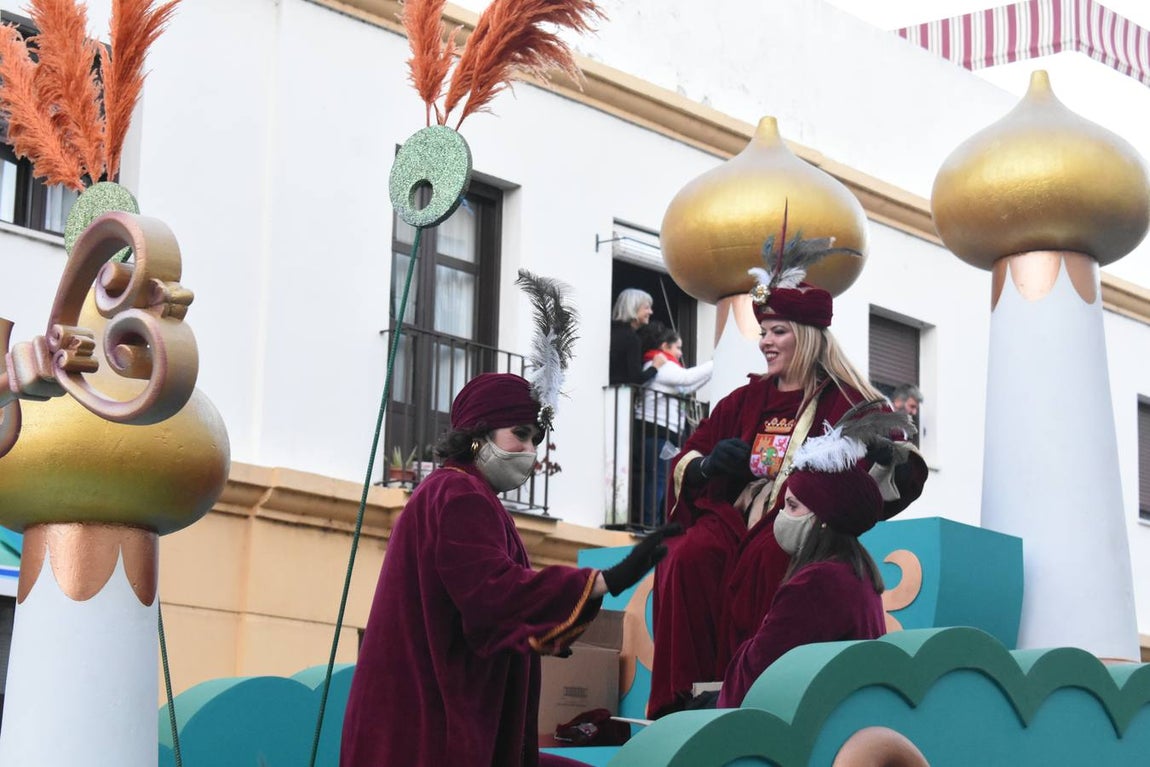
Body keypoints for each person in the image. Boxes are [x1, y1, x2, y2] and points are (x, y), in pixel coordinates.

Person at [647, 235, 928, 719]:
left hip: (799, 528)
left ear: (808, 335)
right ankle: (682, 702)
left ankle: (744, 700)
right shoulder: (743, 400)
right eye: (763, 332)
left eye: (777, 331)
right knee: (687, 554)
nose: (765, 343)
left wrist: (885, 452)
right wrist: (709, 467)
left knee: (768, 558)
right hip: (735, 517)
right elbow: (688, 458)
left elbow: (895, 463)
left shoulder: (848, 400)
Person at [340, 373, 679, 767]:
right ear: (477, 435)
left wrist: (559, 615)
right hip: (431, 733)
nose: (530, 449)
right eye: (519, 433)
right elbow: (494, 596)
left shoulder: (459, 493)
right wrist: (605, 580)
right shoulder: (458, 495)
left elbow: (493, 609)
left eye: (536, 438)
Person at [717, 433, 892, 708]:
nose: (782, 515)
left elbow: (758, 675)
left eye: (792, 506)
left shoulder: (817, 583)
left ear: (823, 518)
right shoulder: (856, 571)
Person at [633, 321, 713, 527]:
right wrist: (716, 362)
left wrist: (714, 369)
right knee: (658, 481)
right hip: (656, 433)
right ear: (665, 347)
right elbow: (687, 379)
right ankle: (651, 525)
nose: (680, 353)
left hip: (659, 434)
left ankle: (655, 523)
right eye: (677, 347)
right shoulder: (661, 365)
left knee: (660, 480)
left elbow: (687, 388)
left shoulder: (660, 367)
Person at [609, 288, 665, 385]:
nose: (651, 312)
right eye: (647, 308)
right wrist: (655, 366)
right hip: (621, 395)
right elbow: (636, 378)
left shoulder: (610, 330)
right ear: (633, 308)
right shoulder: (631, 338)